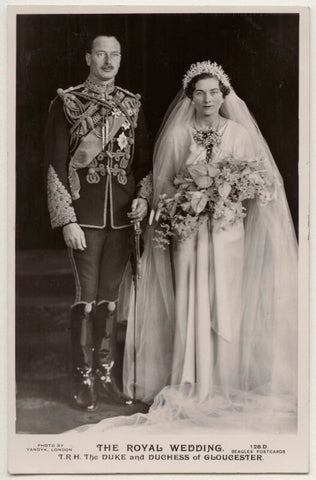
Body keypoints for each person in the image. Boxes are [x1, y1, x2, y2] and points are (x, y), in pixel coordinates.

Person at [66, 60, 298, 434]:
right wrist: (182, 203)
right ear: (190, 97)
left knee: (225, 301)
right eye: (200, 93)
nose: (207, 99)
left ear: (224, 95)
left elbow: (260, 183)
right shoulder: (178, 135)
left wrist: (227, 194)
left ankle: (225, 381)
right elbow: (162, 188)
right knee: (191, 302)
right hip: (187, 234)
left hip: (227, 232)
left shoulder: (239, 133)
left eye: (214, 92)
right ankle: (192, 382)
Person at [45, 35, 152, 411]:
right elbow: (56, 165)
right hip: (84, 216)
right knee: (86, 301)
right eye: (101, 54)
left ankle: (107, 379)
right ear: (89, 57)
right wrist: (66, 219)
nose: (108, 61)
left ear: (120, 59)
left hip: (122, 218)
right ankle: (83, 380)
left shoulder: (132, 105)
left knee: (110, 301)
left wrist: (142, 197)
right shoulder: (68, 103)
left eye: (115, 55)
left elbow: (143, 165)